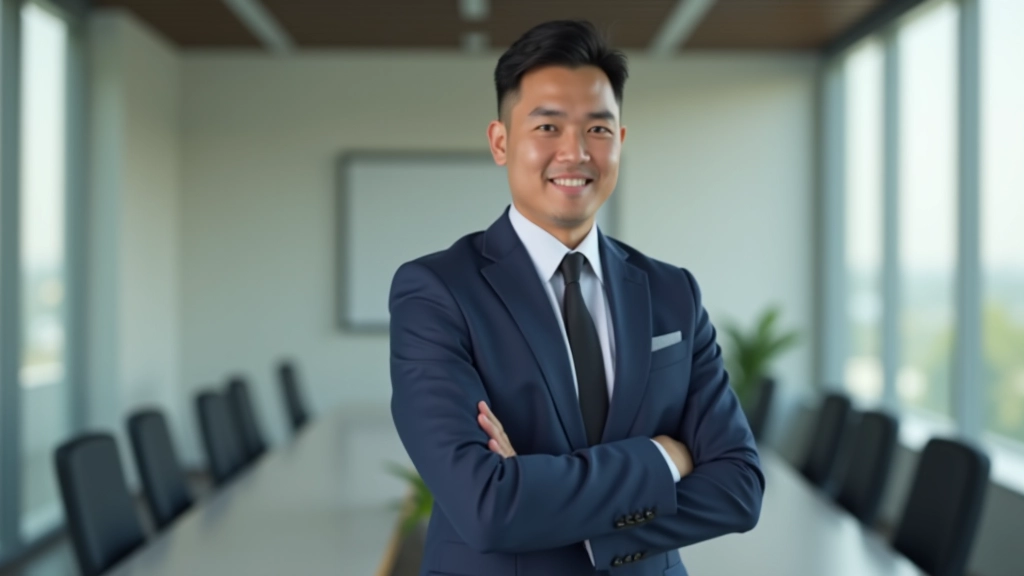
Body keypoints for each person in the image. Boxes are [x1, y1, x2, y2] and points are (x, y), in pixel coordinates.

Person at [389, 19, 764, 576]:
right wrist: (667, 456)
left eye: (597, 130)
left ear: (620, 142)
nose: (575, 152)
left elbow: (738, 486)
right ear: (501, 142)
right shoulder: (437, 292)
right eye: (547, 127)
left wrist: (551, 501)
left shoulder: (671, 292)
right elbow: (489, 506)